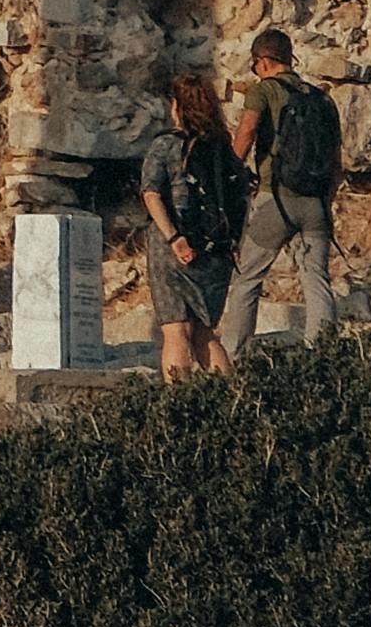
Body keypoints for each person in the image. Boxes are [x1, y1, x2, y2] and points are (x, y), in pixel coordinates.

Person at [235, 31, 345, 353]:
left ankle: (232, 359)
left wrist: (227, 172)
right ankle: (321, 357)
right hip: (316, 203)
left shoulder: (263, 91)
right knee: (316, 279)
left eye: (255, 65)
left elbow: (247, 133)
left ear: (263, 61)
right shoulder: (323, 99)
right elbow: (337, 163)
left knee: (247, 280)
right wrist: (326, 200)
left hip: (275, 199)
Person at [144, 72, 249, 376]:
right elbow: (242, 196)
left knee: (176, 332)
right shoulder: (223, 149)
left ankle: (178, 409)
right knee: (205, 333)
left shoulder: (165, 145)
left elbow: (151, 194)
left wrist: (174, 237)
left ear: (176, 106)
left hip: (173, 250)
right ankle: (227, 401)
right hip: (216, 253)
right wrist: (234, 244)